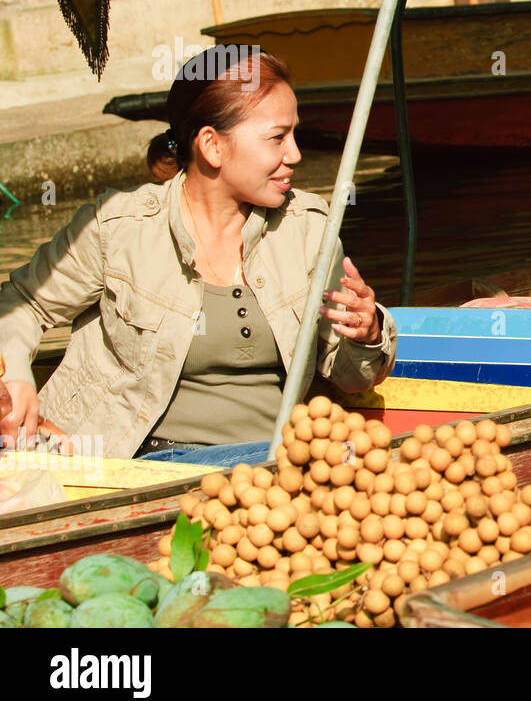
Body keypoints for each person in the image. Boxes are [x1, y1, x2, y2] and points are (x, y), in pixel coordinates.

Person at [0, 48, 397, 465]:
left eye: (294, 135)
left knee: (352, 460)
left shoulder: (308, 230)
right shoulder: (118, 229)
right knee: (341, 459)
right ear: (212, 146)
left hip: (270, 468)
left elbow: (354, 378)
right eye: (277, 138)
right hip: (149, 465)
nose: (294, 154)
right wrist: (15, 376)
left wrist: (368, 334)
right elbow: (22, 303)